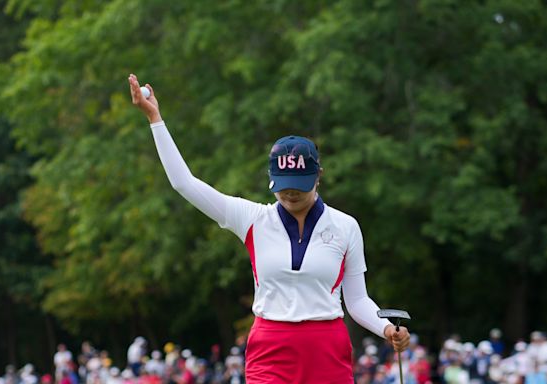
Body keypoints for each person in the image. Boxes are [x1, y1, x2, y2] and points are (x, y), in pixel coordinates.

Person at [128, 74, 411, 383]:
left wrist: (385, 328)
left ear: (319, 176)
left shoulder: (345, 226)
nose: (291, 194)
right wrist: (155, 119)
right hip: (270, 346)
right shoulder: (252, 218)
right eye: (283, 186)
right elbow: (184, 183)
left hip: (327, 348)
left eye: (299, 187)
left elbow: (356, 300)